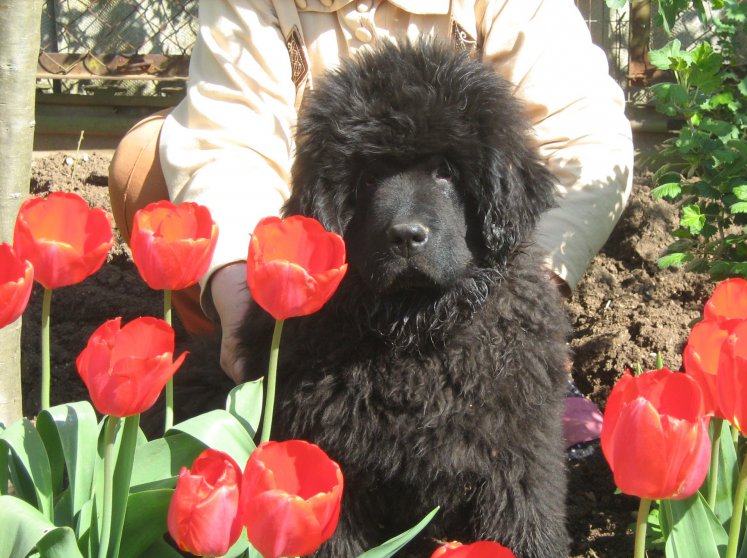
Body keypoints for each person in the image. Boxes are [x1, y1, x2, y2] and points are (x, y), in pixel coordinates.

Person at [108, 0, 633, 447]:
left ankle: (527, 384)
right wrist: (250, 309)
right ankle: (221, 353)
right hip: (322, 251)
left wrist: (524, 316)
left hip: (475, 255)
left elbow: (581, 139)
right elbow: (227, 142)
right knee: (145, 161)